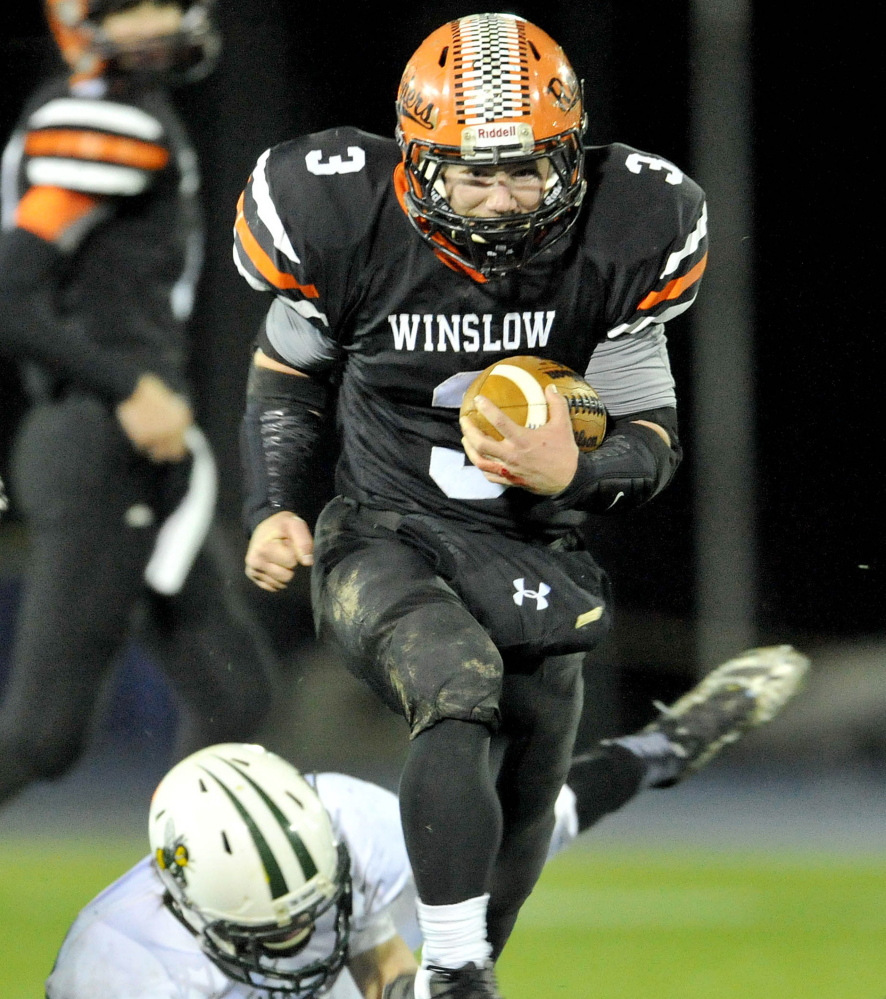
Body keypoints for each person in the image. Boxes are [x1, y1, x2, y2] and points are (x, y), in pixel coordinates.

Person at [233, 14, 805, 998]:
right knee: (455, 690)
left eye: (527, 172)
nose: (501, 200)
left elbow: (649, 438)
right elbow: (288, 371)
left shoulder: (632, 224)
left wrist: (569, 472)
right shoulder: (333, 208)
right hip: (385, 531)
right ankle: (453, 970)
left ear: (571, 158)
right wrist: (277, 501)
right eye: (472, 175)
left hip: (530, 545)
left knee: (528, 795)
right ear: (416, 162)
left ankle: (644, 762)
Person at [44, 653, 808, 999]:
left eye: (317, 902)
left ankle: (664, 744)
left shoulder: (345, 821)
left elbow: (376, 951)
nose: (304, 934)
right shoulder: (115, 968)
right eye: (278, 931)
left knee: (517, 836)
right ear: (190, 907)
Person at [0, 1, 274, 808]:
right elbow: (11, 297)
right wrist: (129, 386)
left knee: (236, 694)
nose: (160, 18)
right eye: (132, 6)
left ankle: (194, 912)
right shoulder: (95, 117)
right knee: (42, 735)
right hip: (98, 441)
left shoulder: (121, 110)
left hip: (128, 450)